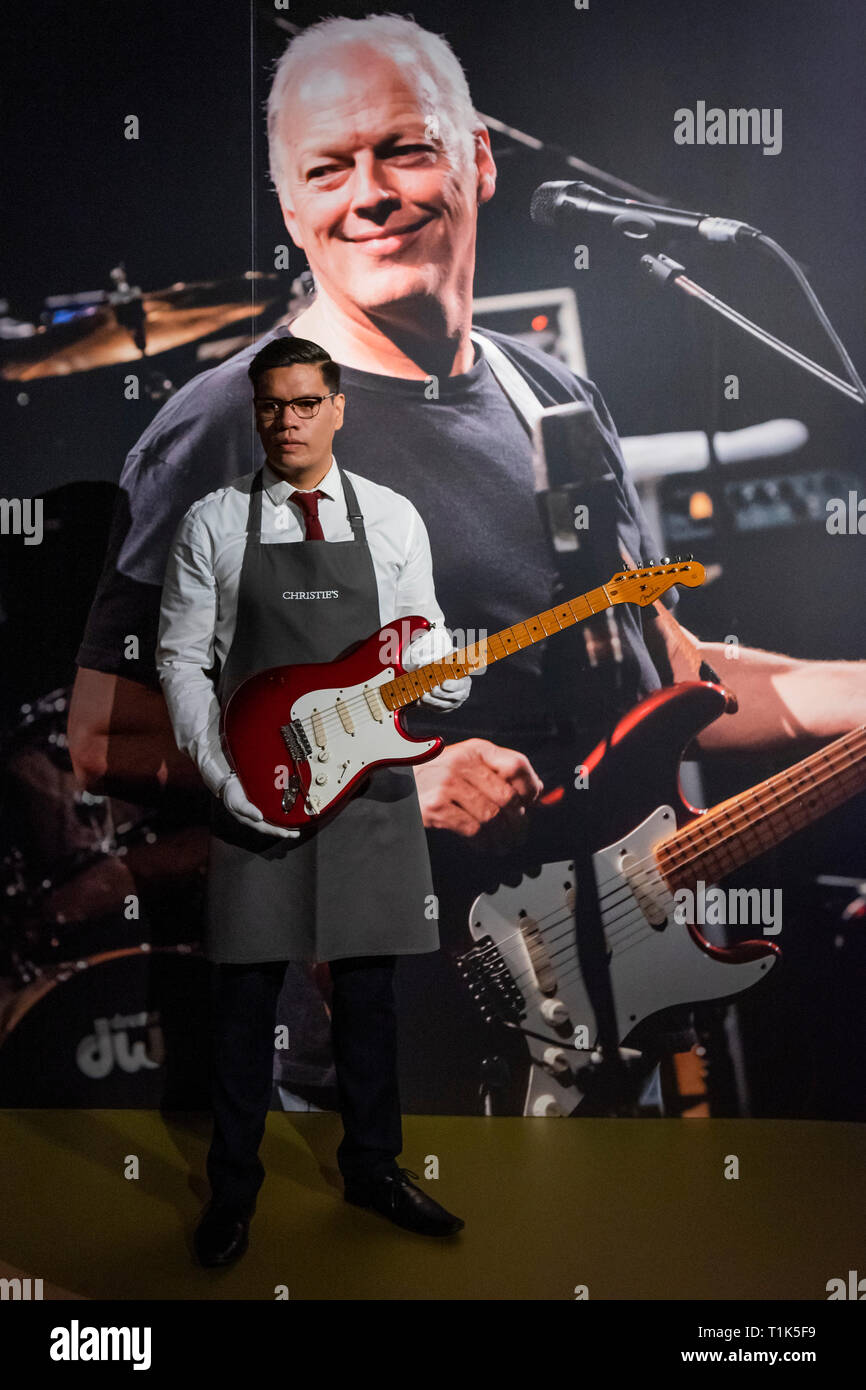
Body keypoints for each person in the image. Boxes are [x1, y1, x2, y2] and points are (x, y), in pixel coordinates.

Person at [70, 13, 866, 1117]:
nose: (371, 192)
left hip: (600, 1022)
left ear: (477, 159)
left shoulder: (557, 398)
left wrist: (850, 691)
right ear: (293, 207)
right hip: (392, 1046)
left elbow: (660, 668)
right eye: (327, 167)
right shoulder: (229, 428)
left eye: (404, 148)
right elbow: (112, 733)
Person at [158, 334, 471, 1264]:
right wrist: (223, 780)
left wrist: (445, 683)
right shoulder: (213, 523)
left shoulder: (393, 519)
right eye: (271, 406)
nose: (287, 421)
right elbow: (181, 661)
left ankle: (374, 1168)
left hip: (370, 787)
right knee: (246, 1001)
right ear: (255, 413)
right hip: (258, 785)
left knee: (370, 997)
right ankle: (233, 1190)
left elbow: (421, 648)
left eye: (305, 403)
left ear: (339, 408)